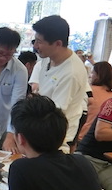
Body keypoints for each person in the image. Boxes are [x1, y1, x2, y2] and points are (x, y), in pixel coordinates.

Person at [31, 15, 89, 152]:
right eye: (35, 40)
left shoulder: (71, 72)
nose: (35, 46)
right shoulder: (47, 57)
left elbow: (56, 113)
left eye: (39, 42)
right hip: (42, 125)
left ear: (57, 43)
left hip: (56, 135)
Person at [77, 62, 112, 142]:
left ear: (99, 75)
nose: (90, 76)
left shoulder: (89, 91)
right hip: (104, 135)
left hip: (83, 134)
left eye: (92, 73)